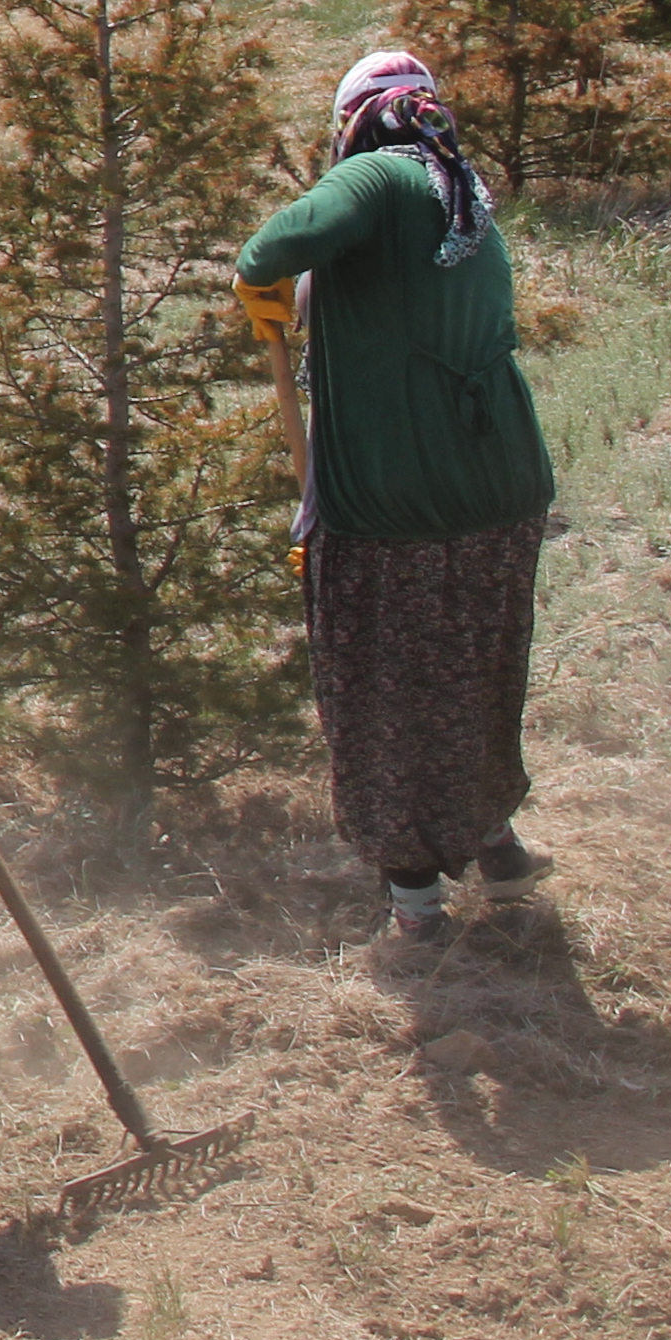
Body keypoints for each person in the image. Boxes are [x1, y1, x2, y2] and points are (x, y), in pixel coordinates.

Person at [236, 49, 560, 940]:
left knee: (386, 691)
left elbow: (270, 246)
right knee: (477, 673)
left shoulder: (379, 175)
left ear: (356, 123)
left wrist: (256, 277)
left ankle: (416, 899)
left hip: (394, 503)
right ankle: (494, 844)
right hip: (501, 491)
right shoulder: (462, 192)